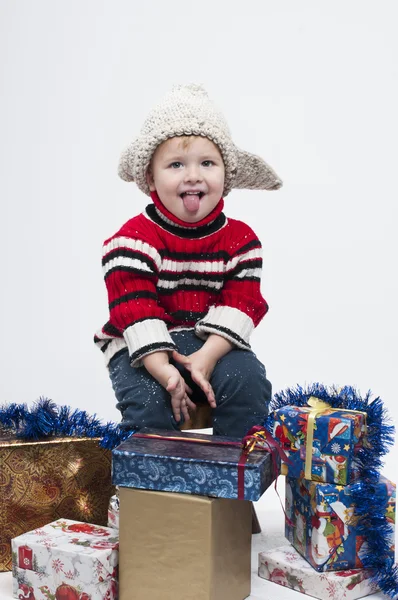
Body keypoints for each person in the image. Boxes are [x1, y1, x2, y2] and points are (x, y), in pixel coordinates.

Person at [94, 84, 282, 438]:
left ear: (226, 176)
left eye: (207, 163)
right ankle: (149, 490)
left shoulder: (241, 241)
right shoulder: (132, 240)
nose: (193, 175)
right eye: (176, 164)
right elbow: (135, 309)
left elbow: (241, 304)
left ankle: (230, 481)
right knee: (148, 402)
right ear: (150, 177)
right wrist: (163, 370)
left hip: (210, 338)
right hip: (141, 341)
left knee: (249, 381)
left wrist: (208, 356)